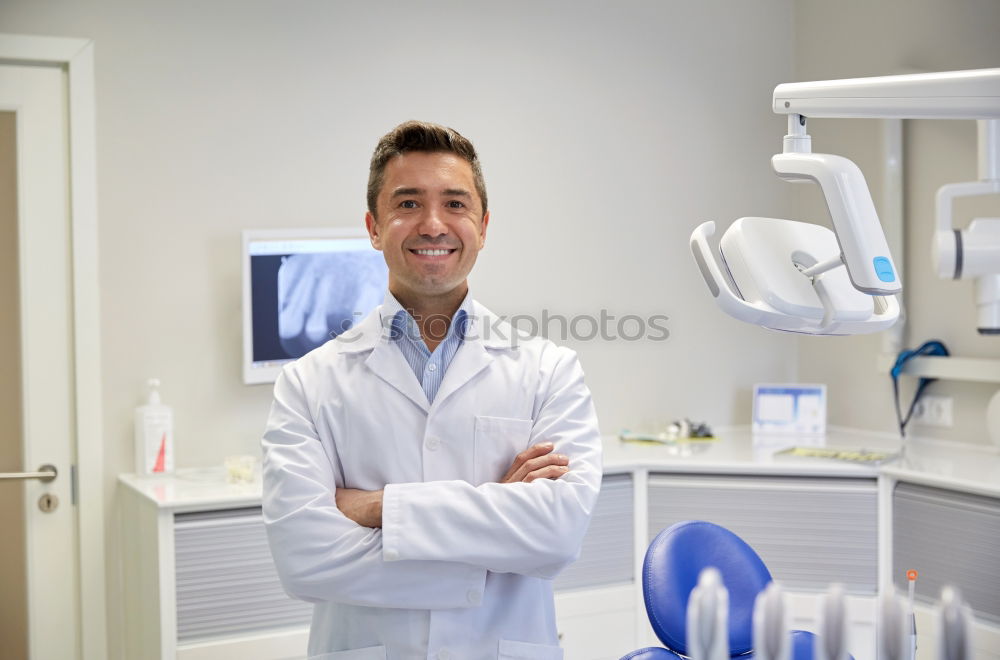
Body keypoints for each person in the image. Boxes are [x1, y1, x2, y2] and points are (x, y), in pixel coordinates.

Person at [261, 120, 602, 660]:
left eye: (455, 204)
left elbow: (557, 537)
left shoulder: (549, 371)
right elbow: (303, 559)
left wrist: (377, 509)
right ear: (374, 227)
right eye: (408, 203)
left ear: (483, 226)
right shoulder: (308, 383)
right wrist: (493, 537)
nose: (434, 224)